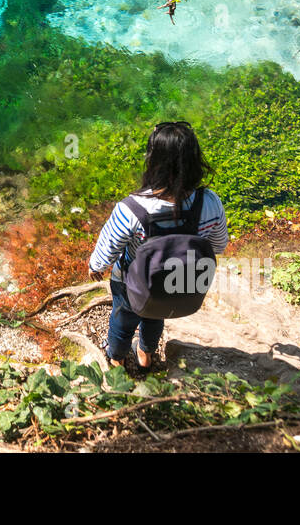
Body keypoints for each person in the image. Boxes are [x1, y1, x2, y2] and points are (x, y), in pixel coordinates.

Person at [87, 121, 229, 369]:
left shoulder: (131, 209)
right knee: (156, 316)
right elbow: (218, 246)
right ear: (195, 160)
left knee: (122, 320)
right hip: (176, 281)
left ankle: (117, 359)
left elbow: (107, 250)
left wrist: (95, 265)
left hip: (131, 284)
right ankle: (145, 354)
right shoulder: (210, 202)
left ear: (154, 162)